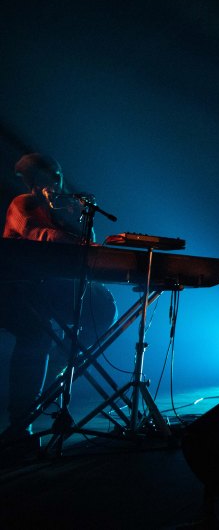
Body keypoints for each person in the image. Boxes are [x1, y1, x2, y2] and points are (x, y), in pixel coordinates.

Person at [1, 153, 116, 450]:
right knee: (35, 335)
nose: (51, 184)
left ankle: (59, 365)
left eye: (55, 176)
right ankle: (20, 424)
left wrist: (79, 221)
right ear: (31, 182)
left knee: (103, 309)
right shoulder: (23, 204)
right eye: (42, 179)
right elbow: (37, 234)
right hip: (18, 290)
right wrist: (77, 239)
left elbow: (87, 247)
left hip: (52, 289)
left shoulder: (66, 208)